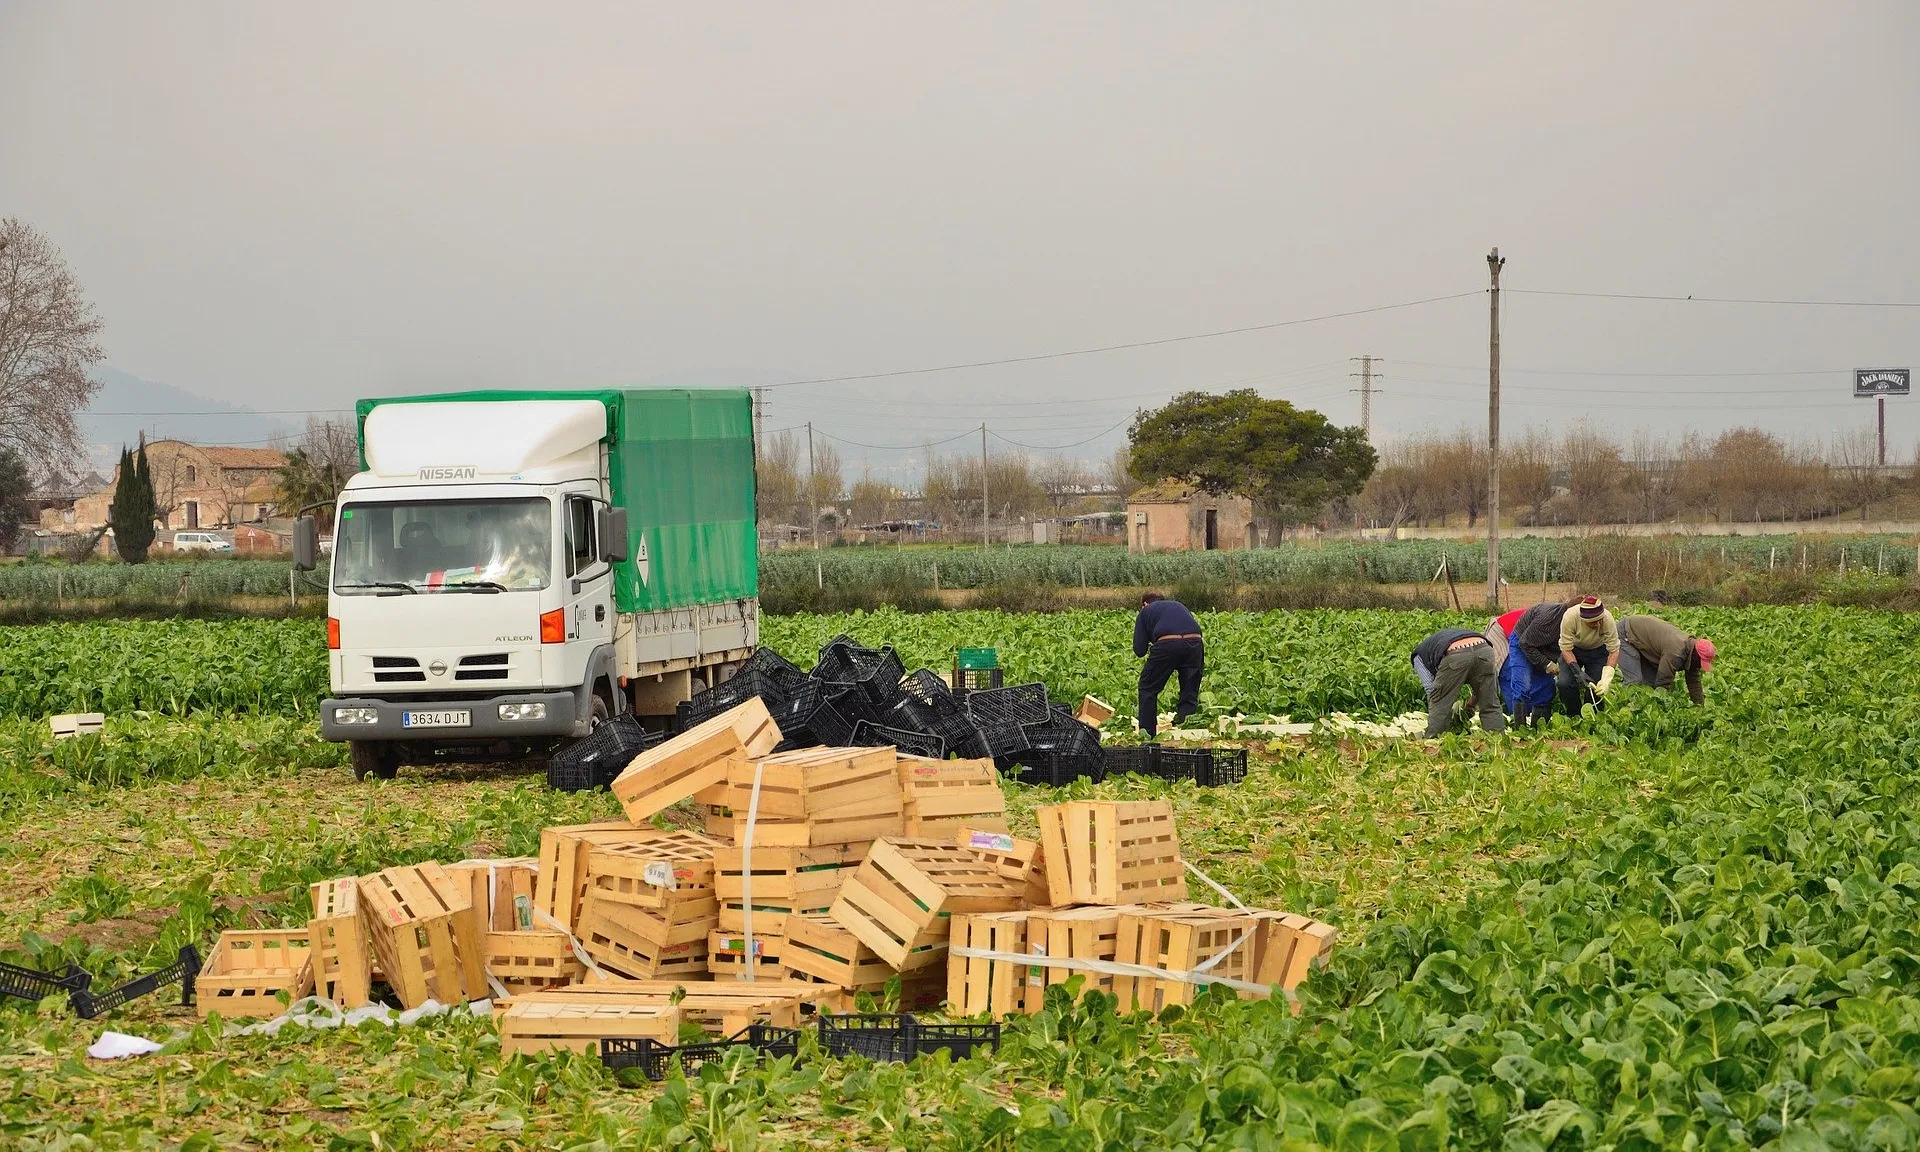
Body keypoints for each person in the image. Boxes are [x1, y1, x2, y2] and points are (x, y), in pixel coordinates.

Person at [1411, 627, 1505, 738]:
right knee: (1490, 703)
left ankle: (1434, 741)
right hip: (1484, 648)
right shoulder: (1435, 645)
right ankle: (1497, 742)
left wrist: (1437, 709)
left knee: (1440, 702)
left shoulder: (1417, 658)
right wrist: (1471, 704)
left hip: (1455, 652)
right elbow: (1483, 687)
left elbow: (1430, 688)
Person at [1133, 592, 1204, 739]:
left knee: (1147, 688)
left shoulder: (1146, 611)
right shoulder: (1178, 605)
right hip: (1195, 641)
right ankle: (1187, 731)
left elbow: (1139, 650)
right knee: (1189, 688)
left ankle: (1147, 734)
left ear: (1145, 604)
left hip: (1167, 642)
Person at [1618, 614, 1715, 704]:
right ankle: (1623, 706)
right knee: (1634, 681)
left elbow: (1693, 681)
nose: (1701, 666)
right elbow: (1663, 682)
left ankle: (1637, 705)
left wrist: (1699, 706)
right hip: (1626, 632)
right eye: (1701, 662)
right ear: (1696, 655)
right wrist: (1663, 708)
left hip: (1643, 640)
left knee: (1649, 683)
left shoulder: (1692, 651)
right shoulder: (1676, 653)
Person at [1512, 599, 1574, 725]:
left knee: (1546, 689)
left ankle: (1538, 730)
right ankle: (1519, 731)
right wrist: (1546, 663)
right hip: (1522, 642)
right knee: (1523, 685)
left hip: (1547, 646)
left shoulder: (1575, 622)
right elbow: (1525, 643)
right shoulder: (1547, 619)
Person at [1556, 595, 1620, 713]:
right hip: (1574, 650)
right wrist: (1577, 672)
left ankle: (1593, 718)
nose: (1598, 625)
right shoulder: (1570, 617)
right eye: (1593, 622)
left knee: (1596, 687)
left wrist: (1606, 679)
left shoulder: (1607, 619)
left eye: (1599, 620)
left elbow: (1614, 651)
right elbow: (1566, 649)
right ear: (1583, 619)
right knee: (1564, 684)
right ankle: (1574, 714)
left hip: (1598, 651)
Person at [1494, 607, 1556, 726]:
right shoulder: (1549, 619)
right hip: (1502, 629)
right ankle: (1516, 719)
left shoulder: (1560, 622)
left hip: (1527, 637)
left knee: (1541, 673)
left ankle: (1536, 719)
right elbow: (1524, 644)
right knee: (1509, 673)